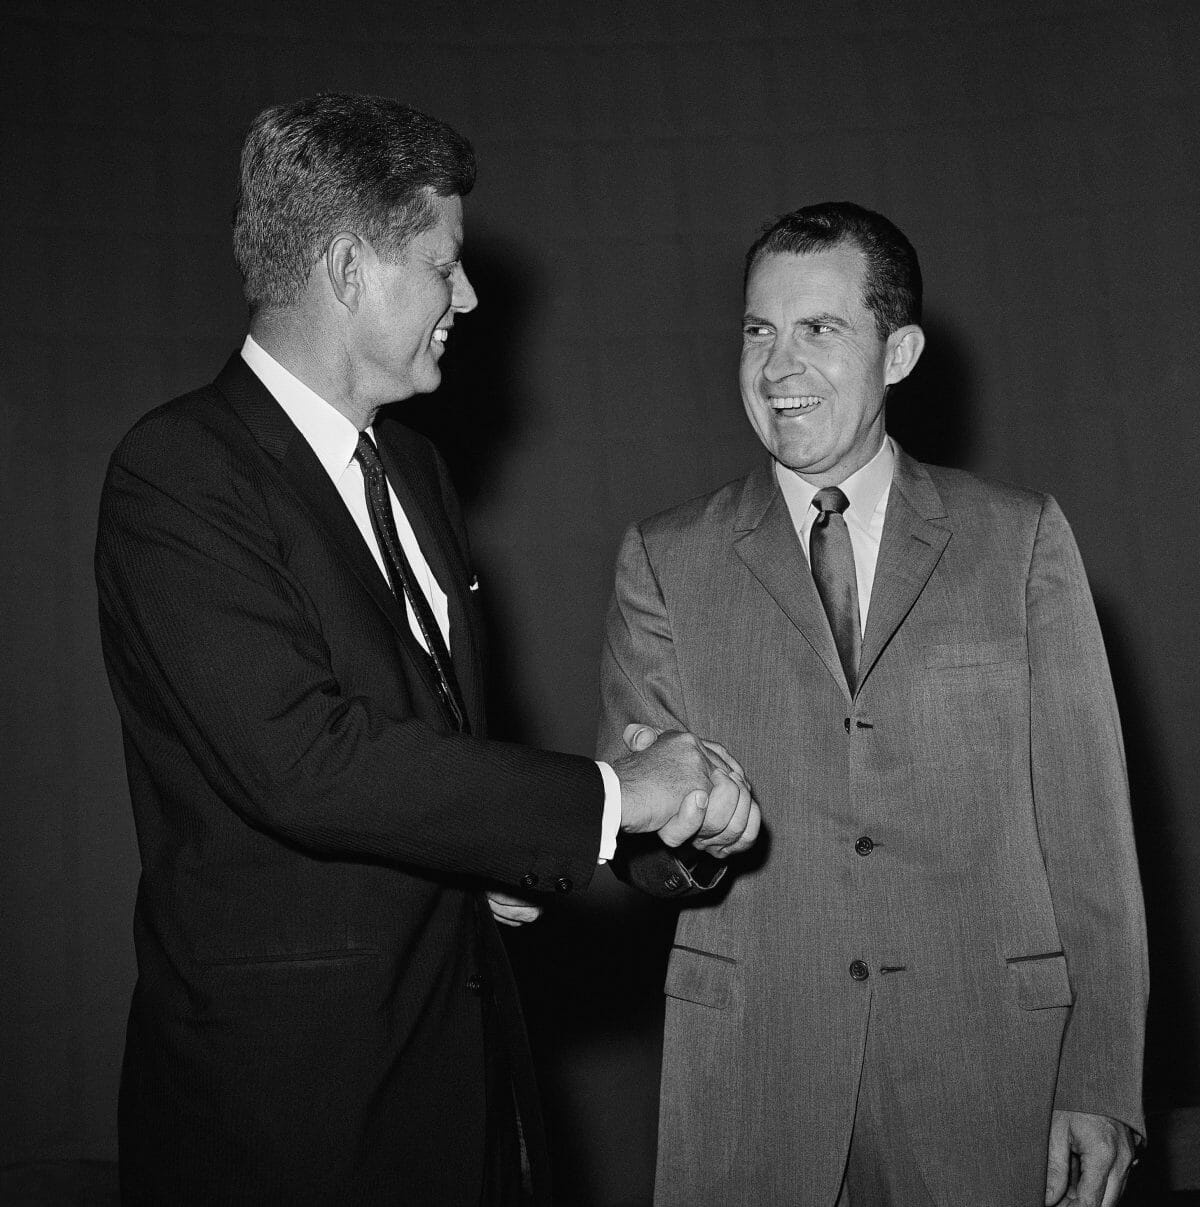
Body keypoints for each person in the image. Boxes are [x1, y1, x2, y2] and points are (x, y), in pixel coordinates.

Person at [95, 92, 758, 1207]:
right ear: (350, 268)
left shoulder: (417, 471)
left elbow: (424, 751)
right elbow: (304, 760)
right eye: (443, 265)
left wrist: (492, 862)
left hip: (462, 1079)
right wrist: (617, 794)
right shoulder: (178, 472)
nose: (471, 294)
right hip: (289, 1118)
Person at [599, 201, 1147, 1207]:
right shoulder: (664, 560)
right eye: (759, 331)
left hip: (994, 1070)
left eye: (819, 329)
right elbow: (639, 843)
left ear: (898, 352)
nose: (778, 368)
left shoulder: (1019, 540)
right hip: (754, 1076)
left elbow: (1090, 836)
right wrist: (686, 835)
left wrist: (1100, 1080)